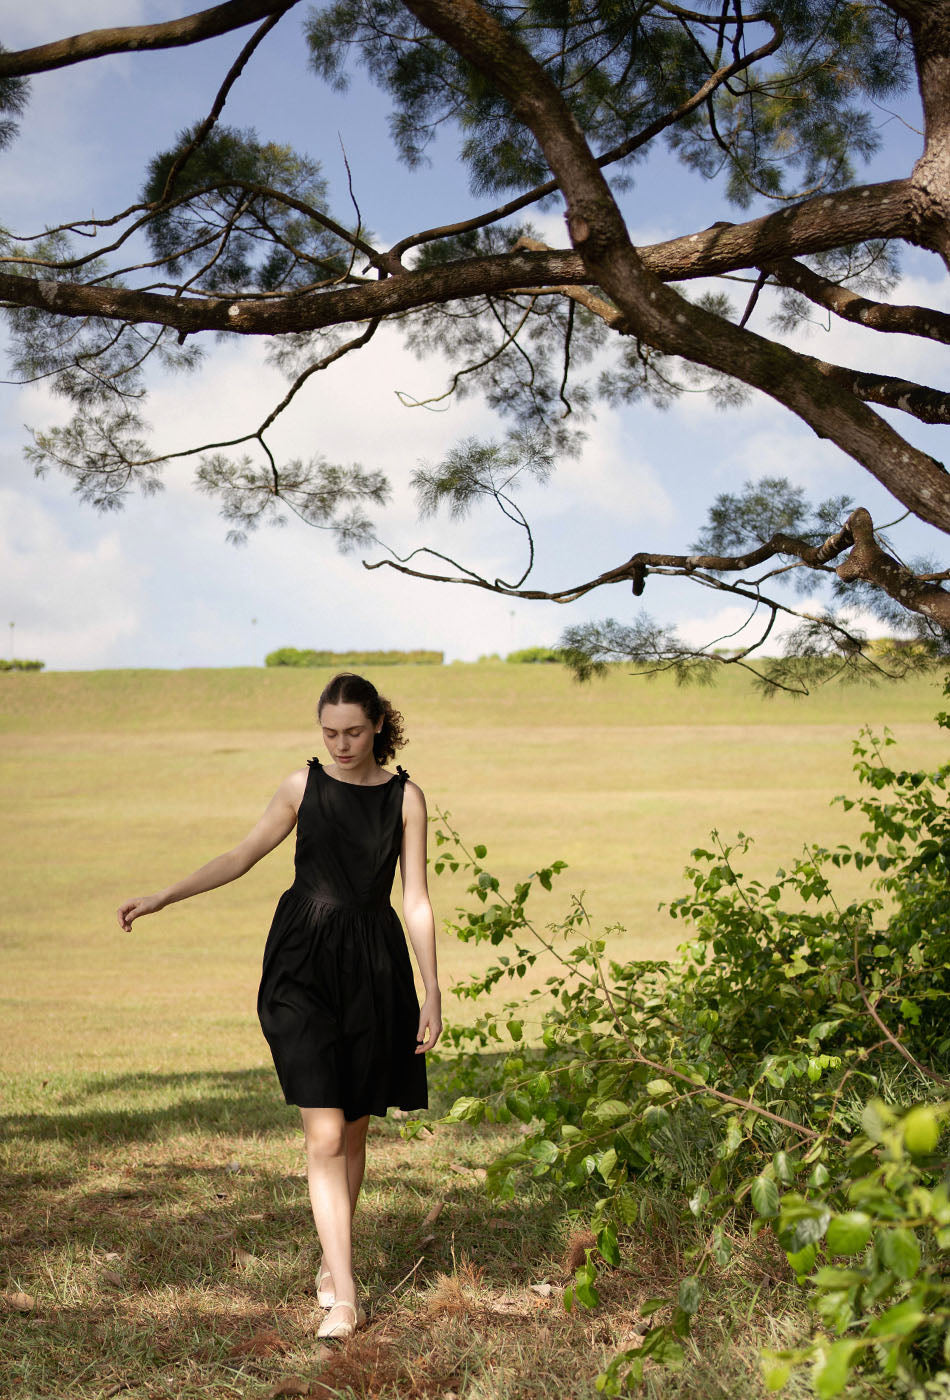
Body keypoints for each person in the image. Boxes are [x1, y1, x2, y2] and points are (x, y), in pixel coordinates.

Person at [116, 672, 442, 1340]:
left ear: (378, 724)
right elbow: (241, 854)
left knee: (354, 1128)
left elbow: (415, 898)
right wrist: (163, 896)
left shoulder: (406, 799)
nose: (341, 744)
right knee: (323, 1131)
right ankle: (346, 1297)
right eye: (329, 732)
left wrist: (432, 987)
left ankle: (333, 1259)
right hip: (300, 963)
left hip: (374, 965)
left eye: (353, 731)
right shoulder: (303, 786)